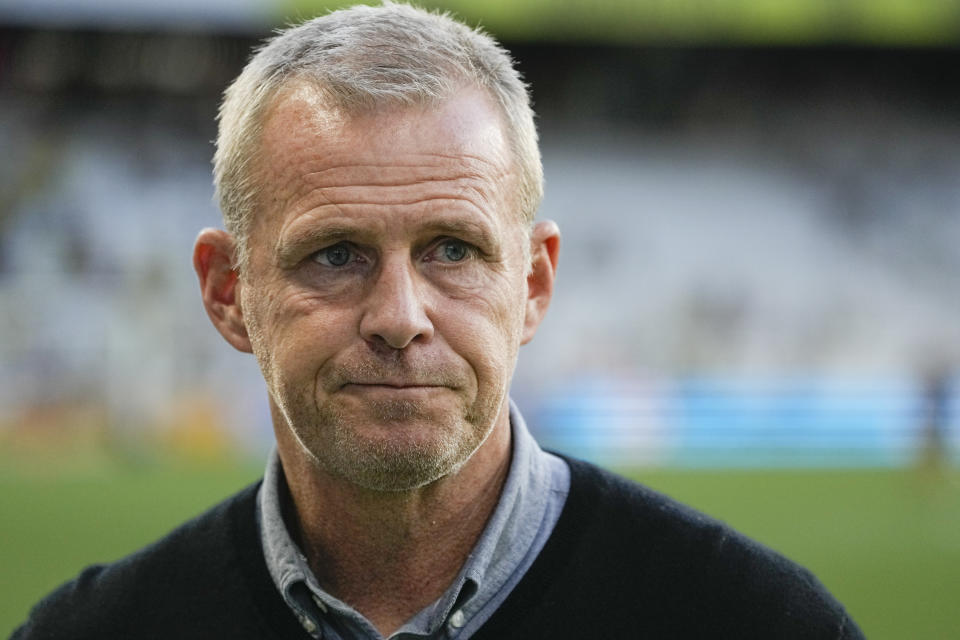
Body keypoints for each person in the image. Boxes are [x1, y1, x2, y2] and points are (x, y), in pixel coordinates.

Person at [13, 3, 864, 639]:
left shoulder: (758, 624)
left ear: (533, 283)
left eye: (452, 250)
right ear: (228, 294)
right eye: (335, 253)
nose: (398, 317)